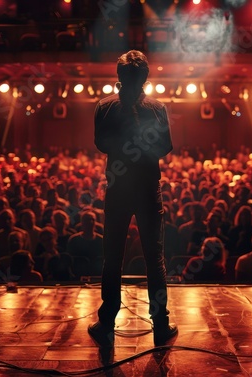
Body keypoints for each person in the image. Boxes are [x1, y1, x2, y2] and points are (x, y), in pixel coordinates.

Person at [88, 50, 177, 347]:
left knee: (112, 256)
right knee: (155, 258)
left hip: (118, 186)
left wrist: (124, 149)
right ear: (146, 77)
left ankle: (106, 321)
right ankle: (161, 323)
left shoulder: (104, 107)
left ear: (119, 76)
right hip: (148, 186)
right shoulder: (158, 107)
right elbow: (166, 146)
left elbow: (101, 143)